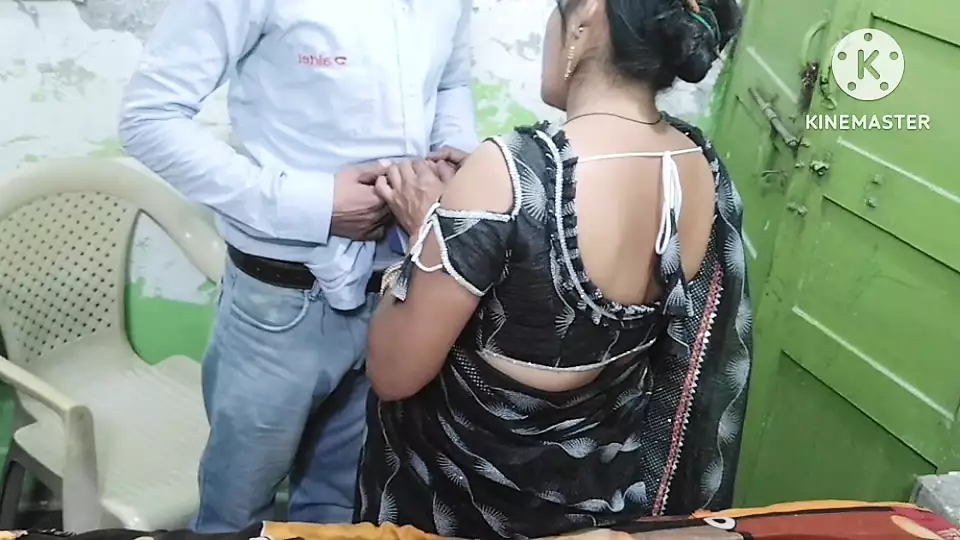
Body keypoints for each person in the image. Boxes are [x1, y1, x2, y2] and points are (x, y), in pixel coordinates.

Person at [354, 0, 751, 537]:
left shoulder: (513, 170)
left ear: (586, 13)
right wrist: (471, 226)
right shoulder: (698, 165)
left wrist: (431, 229)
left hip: (462, 513)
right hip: (593, 506)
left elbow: (392, 373)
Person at [117, 0, 478, 533]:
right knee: (234, 514)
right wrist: (313, 204)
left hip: (397, 289)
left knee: (340, 510)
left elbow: (450, 82)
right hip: (281, 296)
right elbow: (148, 118)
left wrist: (451, 154)